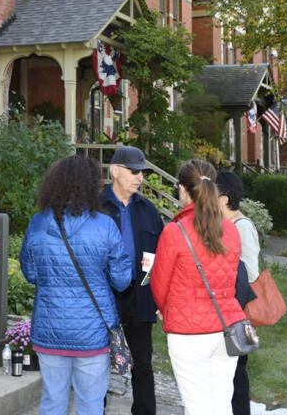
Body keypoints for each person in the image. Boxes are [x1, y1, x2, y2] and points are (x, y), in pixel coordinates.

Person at [21, 155, 132, 415]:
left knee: (52, 402)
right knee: (91, 404)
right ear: (91, 185)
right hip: (92, 331)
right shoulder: (105, 225)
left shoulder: (38, 223)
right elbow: (122, 280)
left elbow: (30, 273)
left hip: (49, 328)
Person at [150, 160, 244, 415]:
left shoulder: (174, 231)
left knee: (198, 407)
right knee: (222, 403)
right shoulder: (231, 230)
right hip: (227, 327)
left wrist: (165, 309)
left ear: (182, 189)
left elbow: (159, 285)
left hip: (189, 330)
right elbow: (231, 278)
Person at [98, 146, 164, 415]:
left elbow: (156, 255)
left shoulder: (148, 211)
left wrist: (151, 290)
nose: (140, 177)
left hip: (140, 296)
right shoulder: (94, 206)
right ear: (115, 171)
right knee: (97, 362)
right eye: (134, 171)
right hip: (102, 296)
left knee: (143, 364)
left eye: (142, 172)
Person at [216, 170, 260, 415]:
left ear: (224, 198)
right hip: (226, 309)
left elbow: (251, 274)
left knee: (237, 373)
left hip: (239, 312)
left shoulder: (242, 227)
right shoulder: (224, 225)